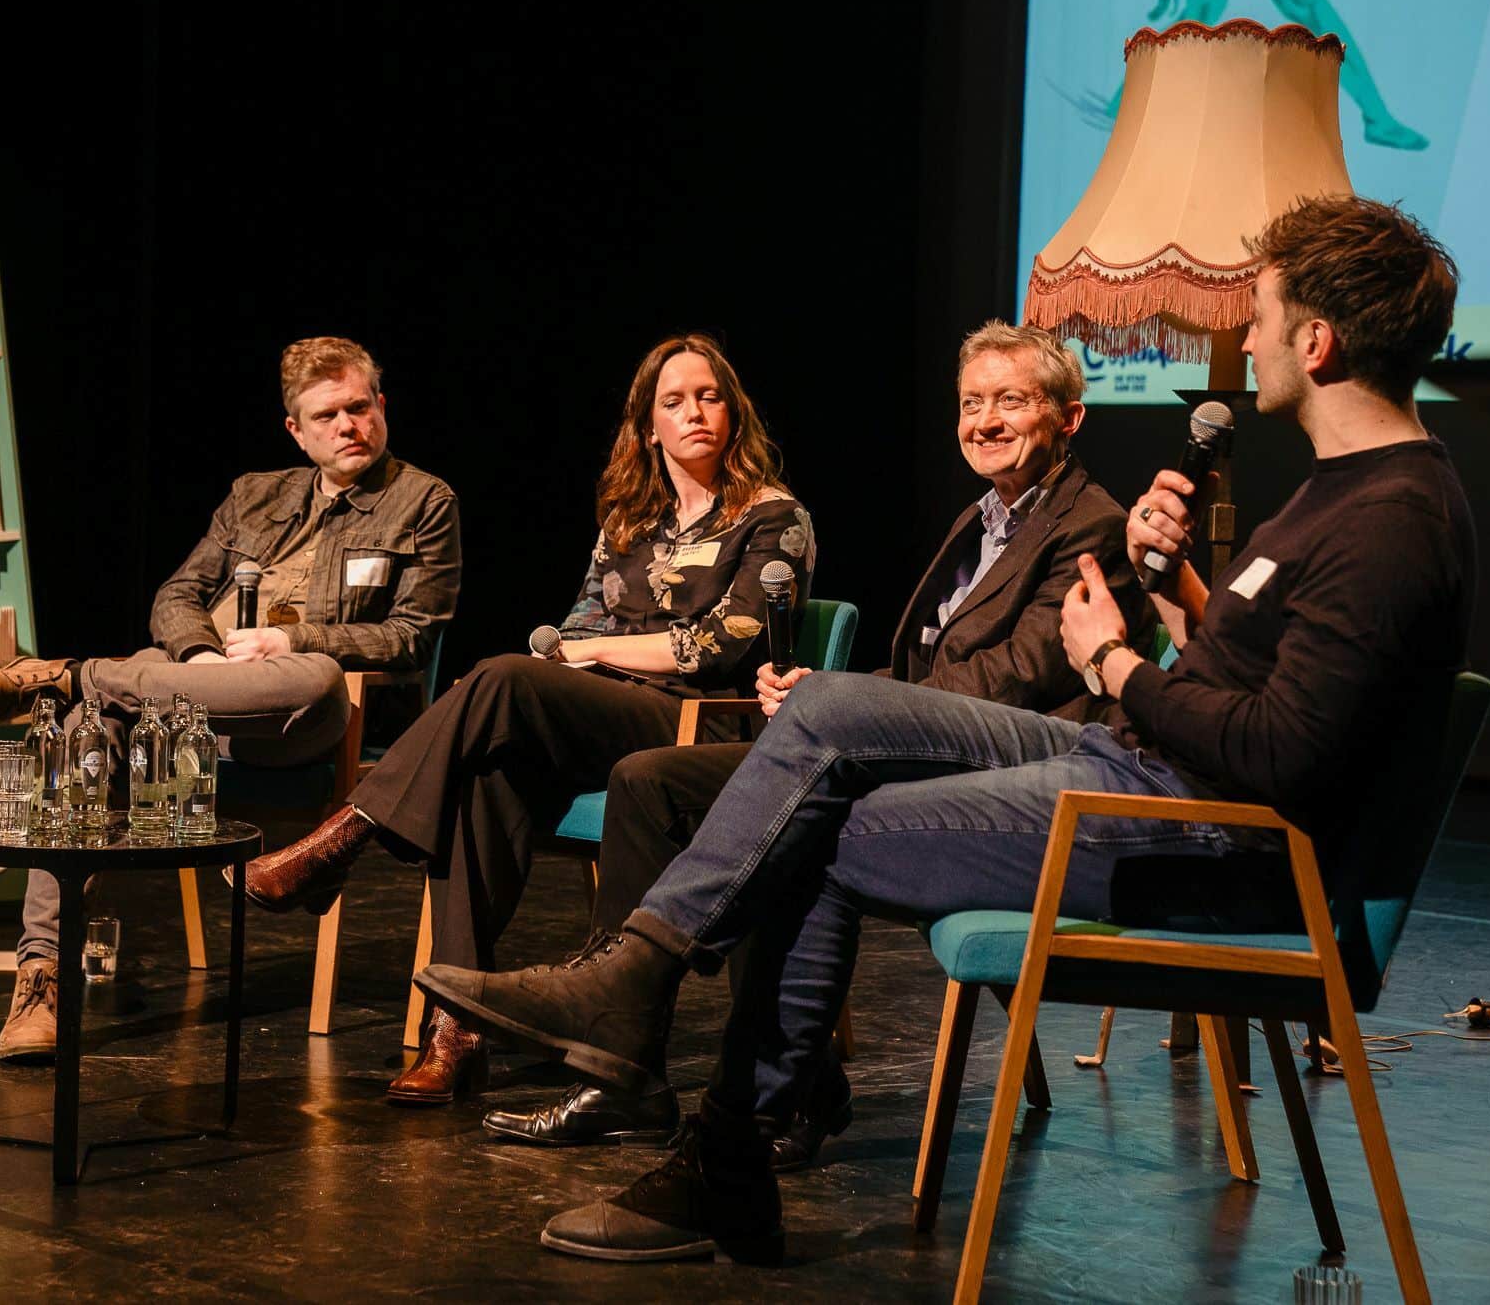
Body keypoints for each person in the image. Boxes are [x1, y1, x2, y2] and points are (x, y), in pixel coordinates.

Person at [418, 194, 1475, 1262]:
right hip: (1137, 772)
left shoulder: (1391, 516)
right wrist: (1171, 599)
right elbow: (1255, 686)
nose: (1243, 338)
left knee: (812, 823)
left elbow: (1275, 755)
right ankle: (642, 990)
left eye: (1257, 314)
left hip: (1195, 834)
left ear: (1316, 340)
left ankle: (716, 1137)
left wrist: (1111, 662)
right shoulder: (1340, 491)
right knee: (827, 713)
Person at [480, 321, 1151, 1159]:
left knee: (799, 812)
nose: (984, 421)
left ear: (1068, 418)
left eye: (1010, 401)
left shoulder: (1090, 524)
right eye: (971, 403)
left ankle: (779, 1084)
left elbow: (1010, 679)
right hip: (921, 743)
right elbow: (927, 666)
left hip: (1016, 764)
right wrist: (827, 692)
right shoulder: (983, 520)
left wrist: (854, 698)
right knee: (651, 781)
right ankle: (624, 1070)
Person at [235, 333, 817, 1103]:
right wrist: (575, 654)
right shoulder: (628, 518)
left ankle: (346, 834)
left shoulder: (774, 517)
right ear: (649, 425)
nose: (693, 413)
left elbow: (714, 646)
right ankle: (457, 1033)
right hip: (606, 714)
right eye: (673, 402)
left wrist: (580, 656)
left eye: (707, 396)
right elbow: (577, 620)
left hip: (698, 728)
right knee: (483, 774)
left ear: (733, 411)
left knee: (503, 676)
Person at [0, 336, 461, 1065]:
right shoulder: (256, 493)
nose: (349, 426)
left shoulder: (424, 500)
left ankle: (70, 675)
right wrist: (201, 658)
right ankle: (41, 975)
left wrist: (297, 639)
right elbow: (178, 594)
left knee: (307, 675)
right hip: (193, 695)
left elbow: (410, 638)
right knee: (95, 732)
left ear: (381, 404)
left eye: (359, 407)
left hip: (308, 712)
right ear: (296, 429)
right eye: (328, 415)